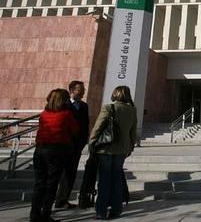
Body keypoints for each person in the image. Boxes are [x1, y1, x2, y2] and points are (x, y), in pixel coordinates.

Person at [88, 86, 137, 220]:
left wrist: (91, 143)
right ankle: (116, 209)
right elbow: (133, 132)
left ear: (115, 94)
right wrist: (131, 147)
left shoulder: (109, 108)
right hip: (121, 150)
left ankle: (101, 211)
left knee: (104, 181)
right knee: (116, 180)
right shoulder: (132, 110)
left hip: (106, 148)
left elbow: (98, 127)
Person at [30, 89, 79, 222]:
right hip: (56, 151)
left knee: (39, 183)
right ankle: (46, 214)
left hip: (40, 150)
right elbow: (75, 130)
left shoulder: (44, 114)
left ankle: (34, 215)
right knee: (52, 184)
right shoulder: (66, 114)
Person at [55, 81, 89, 209]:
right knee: (58, 173)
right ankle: (50, 200)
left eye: (83, 89)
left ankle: (63, 199)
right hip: (63, 144)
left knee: (70, 173)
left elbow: (85, 125)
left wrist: (83, 140)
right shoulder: (64, 105)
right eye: (79, 89)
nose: (82, 91)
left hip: (76, 145)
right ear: (72, 90)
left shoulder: (84, 106)